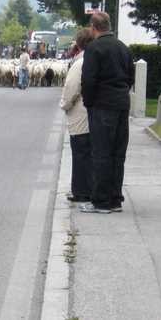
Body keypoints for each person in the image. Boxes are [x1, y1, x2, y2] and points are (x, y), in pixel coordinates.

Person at [81, 12, 135, 214]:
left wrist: (88, 102)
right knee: (117, 153)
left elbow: (88, 80)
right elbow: (130, 76)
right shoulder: (123, 47)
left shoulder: (94, 48)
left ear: (93, 27)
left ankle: (101, 201)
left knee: (101, 153)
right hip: (122, 103)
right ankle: (115, 198)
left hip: (102, 104)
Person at [60, 28, 94, 203]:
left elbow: (72, 87)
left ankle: (81, 191)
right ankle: (88, 188)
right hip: (94, 114)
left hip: (80, 113)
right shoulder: (94, 59)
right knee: (89, 154)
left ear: (79, 45)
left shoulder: (80, 63)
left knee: (80, 153)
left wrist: (65, 105)